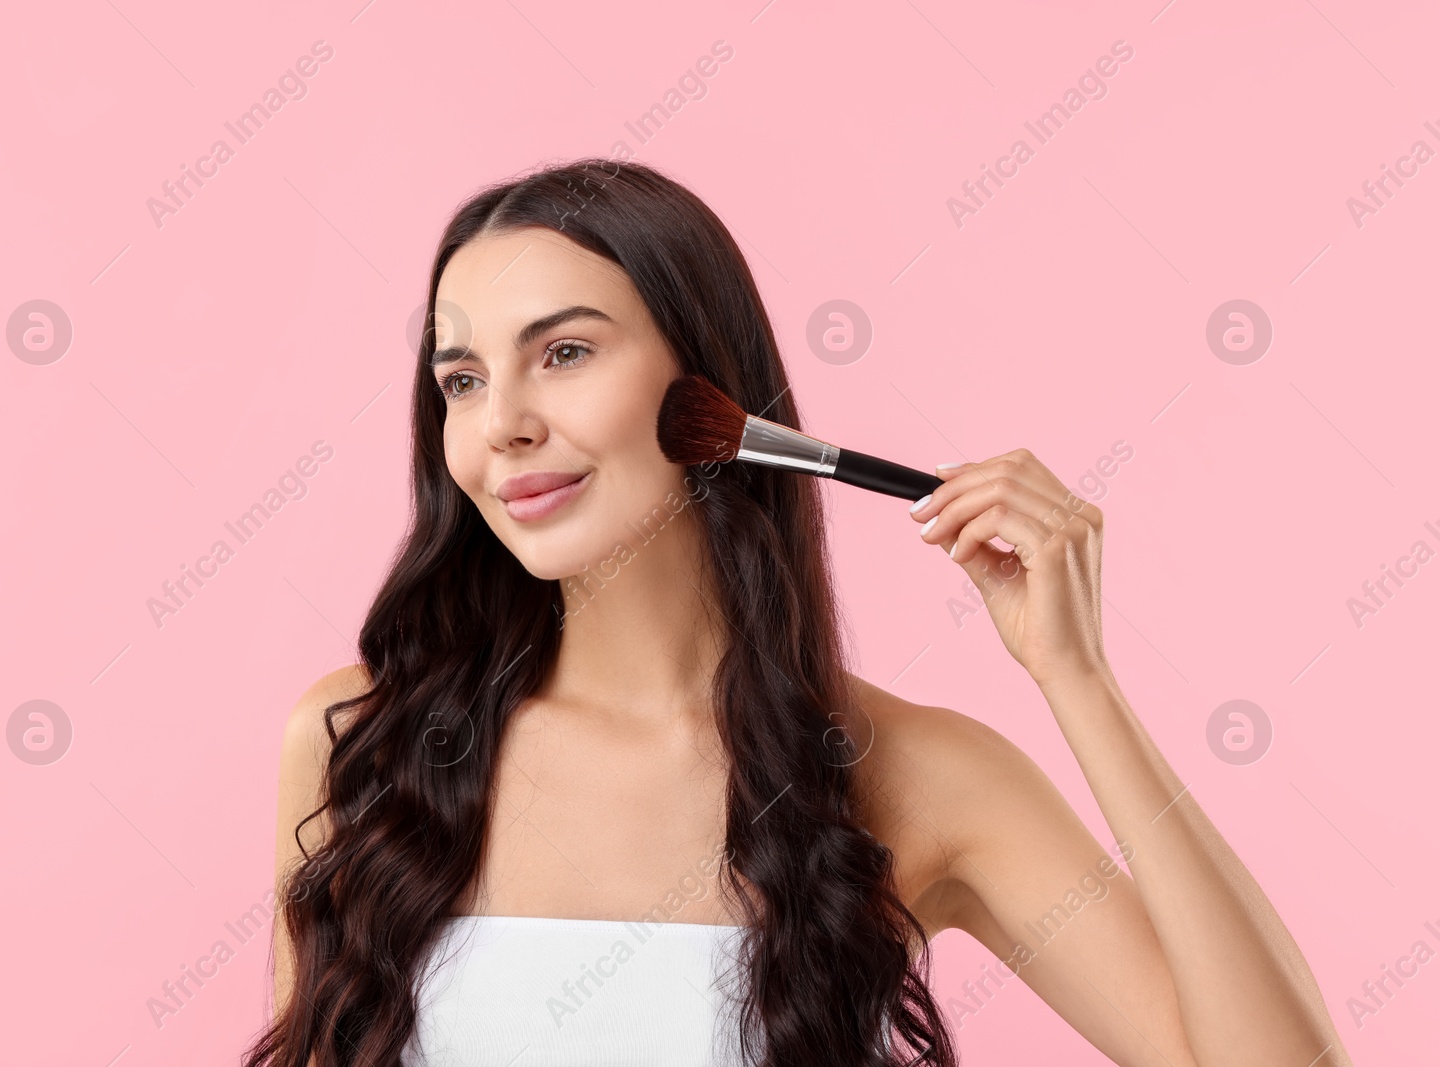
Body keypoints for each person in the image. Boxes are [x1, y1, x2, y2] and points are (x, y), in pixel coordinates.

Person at [244, 158, 1349, 1067]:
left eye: (564, 352)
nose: (502, 425)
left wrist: (1078, 679)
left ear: (705, 385)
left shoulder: (913, 772)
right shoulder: (360, 744)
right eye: (462, 379)